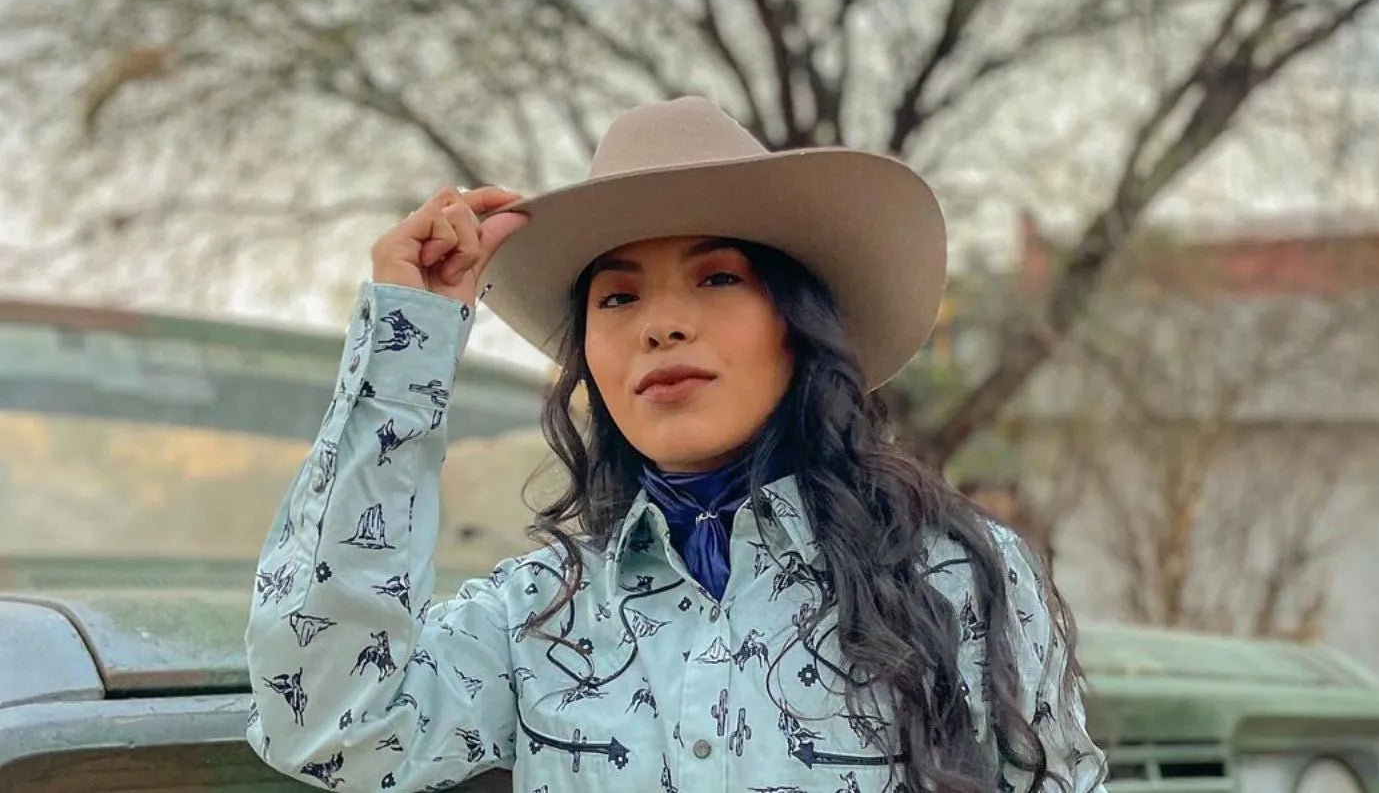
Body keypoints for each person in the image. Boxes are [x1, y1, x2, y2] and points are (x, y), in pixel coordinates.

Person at [245, 97, 1108, 793]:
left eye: (718, 277)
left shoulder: (958, 577)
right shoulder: (540, 615)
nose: (661, 325)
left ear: (796, 322)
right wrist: (409, 341)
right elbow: (331, 729)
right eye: (617, 299)